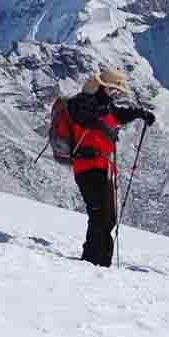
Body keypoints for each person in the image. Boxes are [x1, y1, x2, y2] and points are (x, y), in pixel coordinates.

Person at [66, 68, 155, 267]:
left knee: (107, 216)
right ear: (103, 86)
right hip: (88, 165)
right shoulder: (82, 101)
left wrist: (142, 114)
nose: (116, 93)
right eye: (114, 89)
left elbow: (120, 114)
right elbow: (86, 117)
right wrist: (106, 129)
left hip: (102, 166)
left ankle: (98, 260)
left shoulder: (106, 105)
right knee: (100, 213)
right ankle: (93, 260)